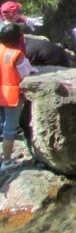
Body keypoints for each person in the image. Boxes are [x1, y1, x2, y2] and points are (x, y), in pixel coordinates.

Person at [0, 23, 35, 171]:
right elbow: (25, 74)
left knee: (2, 124)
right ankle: (6, 162)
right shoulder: (16, 54)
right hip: (11, 95)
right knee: (10, 129)